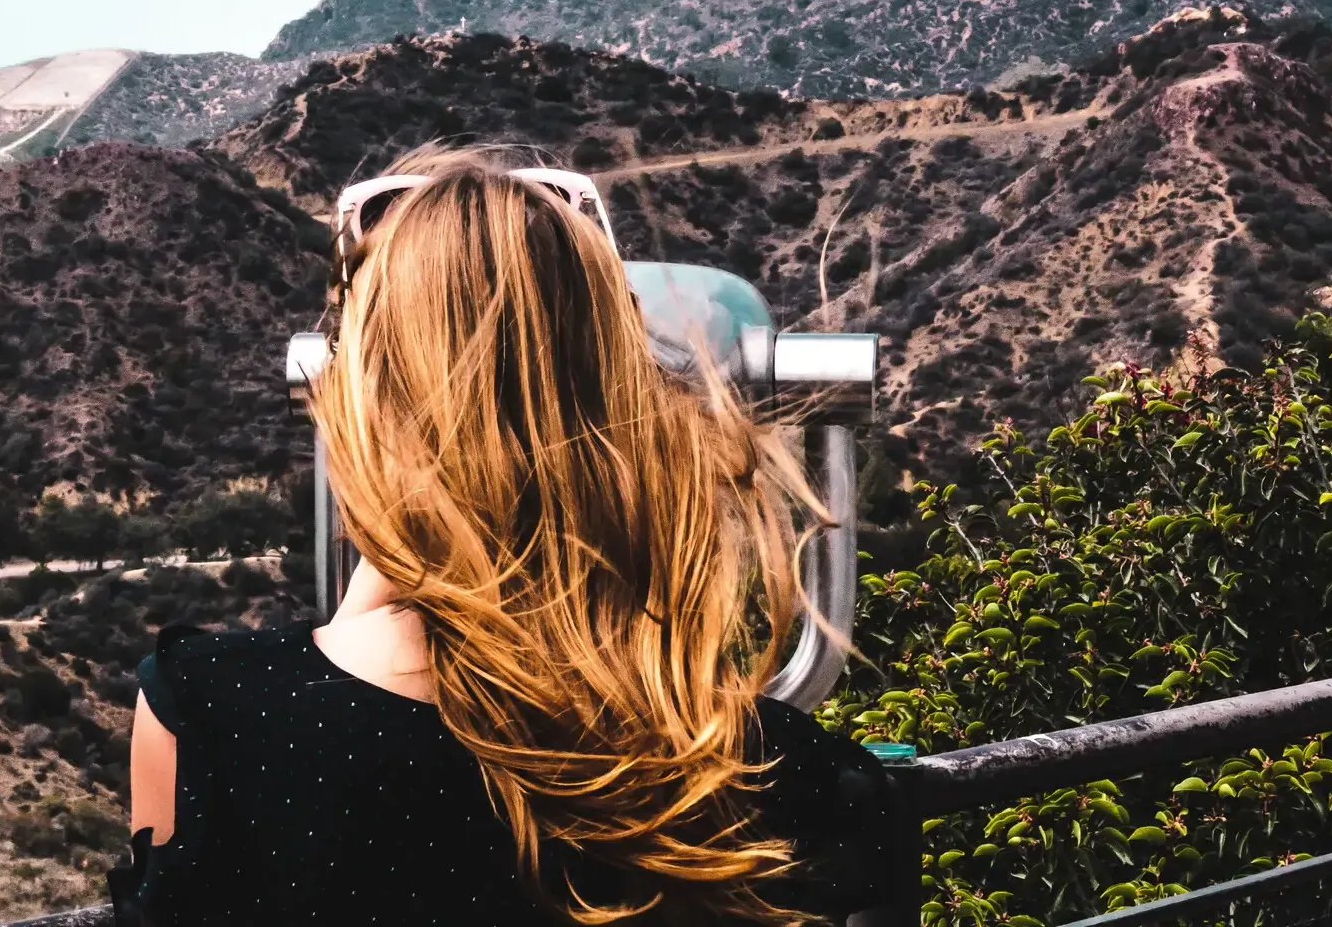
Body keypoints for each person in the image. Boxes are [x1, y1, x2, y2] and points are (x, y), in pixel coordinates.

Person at [108, 145, 895, 925]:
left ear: (357, 404)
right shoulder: (768, 774)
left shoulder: (212, 714)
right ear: (628, 402)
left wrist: (380, 568)